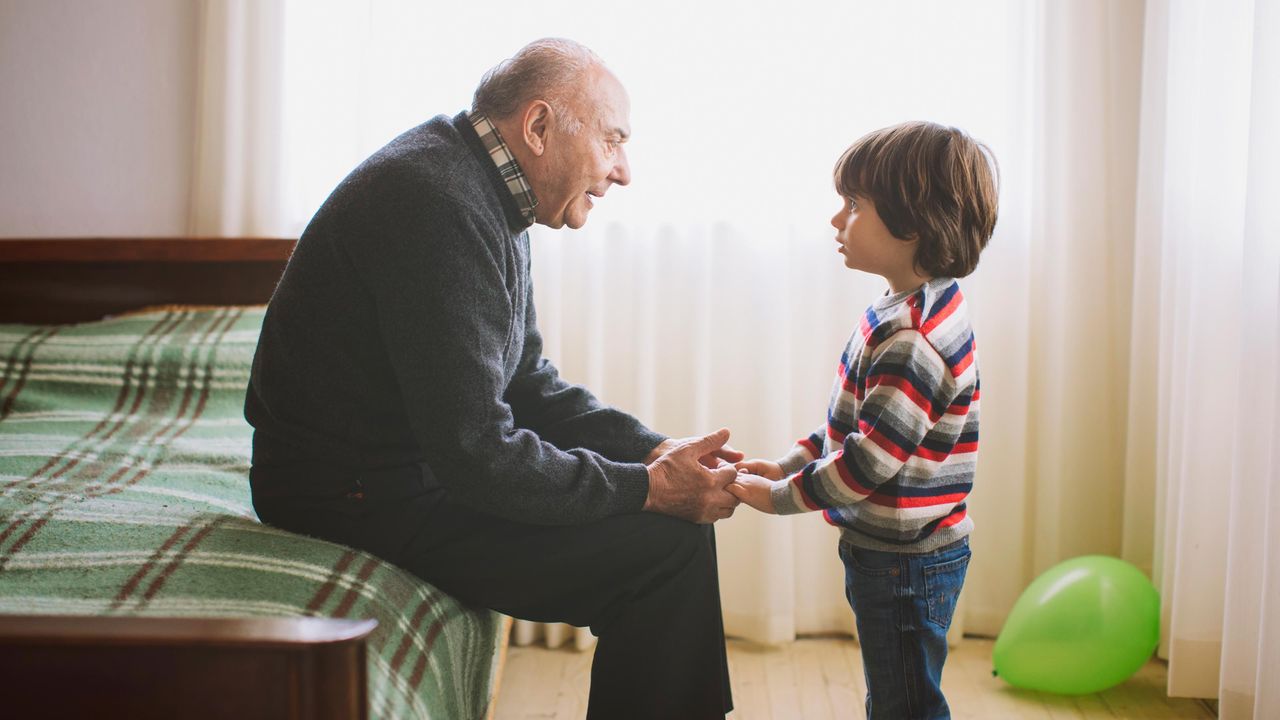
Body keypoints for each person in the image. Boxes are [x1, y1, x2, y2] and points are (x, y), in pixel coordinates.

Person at [245, 38, 739, 719]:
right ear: (537, 128)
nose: (622, 170)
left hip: (396, 470)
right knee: (665, 551)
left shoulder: (478, 187)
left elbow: (526, 379)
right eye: (612, 141)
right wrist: (645, 490)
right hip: (349, 493)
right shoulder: (437, 205)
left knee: (670, 537)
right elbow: (475, 451)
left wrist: (655, 452)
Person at [729, 121, 998, 719]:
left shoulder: (913, 339)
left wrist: (777, 495)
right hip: (900, 550)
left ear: (913, 222)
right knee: (897, 692)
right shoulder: (906, 307)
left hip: (907, 562)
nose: (836, 220)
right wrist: (789, 461)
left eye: (854, 204)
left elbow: (866, 463)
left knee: (903, 704)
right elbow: (853, 427)